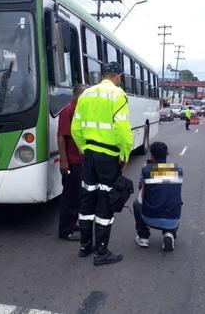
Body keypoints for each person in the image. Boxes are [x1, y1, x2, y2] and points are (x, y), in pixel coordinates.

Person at [71, 62, 133, 266]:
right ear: (118, 77)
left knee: (87, 199)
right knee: (106, 200)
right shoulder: (118, 94)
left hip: (89, 155)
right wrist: (125, 154)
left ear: (104, 75)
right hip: (108, 157)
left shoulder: (86, 94)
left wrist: (83, 148)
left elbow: (76, 127)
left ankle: (85, 247)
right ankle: (102, 252)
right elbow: (122, 129)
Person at [133, 142, 183, 252]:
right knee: (175, 200)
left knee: (136, 204)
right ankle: (169, 233)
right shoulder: (178, 169)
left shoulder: (146, 170)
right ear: (167, 154)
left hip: (149, 217)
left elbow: (140, 189)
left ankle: (143, 238)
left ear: (151, 156)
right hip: (172, 218)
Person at [57, 84, 87, 241]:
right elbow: (61, 136)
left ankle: (72, 223)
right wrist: (63, 161)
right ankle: (65, 231)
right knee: (70, 197)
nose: (84, 98)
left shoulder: (82, 111)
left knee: (78, 196)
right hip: (71, 162)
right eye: (82, 94)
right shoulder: (67, 111)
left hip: (81, 160)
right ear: (75, 93)